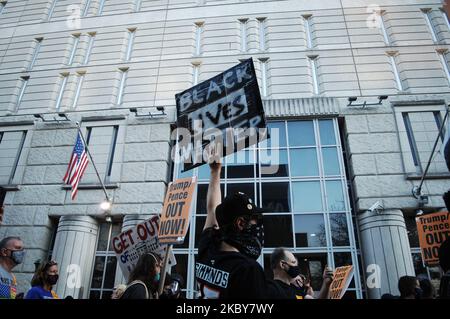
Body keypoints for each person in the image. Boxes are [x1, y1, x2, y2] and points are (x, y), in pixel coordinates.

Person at [195, 160, 270, 299]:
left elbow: (212, 210)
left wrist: (215, 172)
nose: (258, 226)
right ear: (241, 223)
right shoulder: (248, 269)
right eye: (256, 220)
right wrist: (215, 172)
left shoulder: (207, 246)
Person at [268, 247, 334, 299]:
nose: (296, 267)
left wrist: (326, 283)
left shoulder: (295, 290)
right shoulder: (270, 289)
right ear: (283, 265)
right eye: (293, 262)